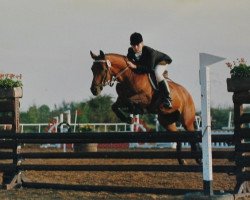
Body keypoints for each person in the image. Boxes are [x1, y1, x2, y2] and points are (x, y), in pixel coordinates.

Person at [126, 32, 173, 108]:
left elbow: (150, 69)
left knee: (157, 73)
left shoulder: (150, 52)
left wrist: (135, 67)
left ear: (142, 43)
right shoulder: (130, 51)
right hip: (147, 64)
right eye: (133, 46)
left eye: (138, 45)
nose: (136, 47)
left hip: (161, 61)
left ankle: (167, 98)